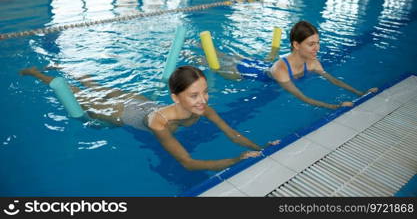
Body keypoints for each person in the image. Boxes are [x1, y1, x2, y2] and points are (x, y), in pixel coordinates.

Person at [20, 65, 279, 171]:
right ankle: (39, 74)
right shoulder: (160, 123)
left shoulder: (203, 108)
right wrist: (236, 160)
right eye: (194, 96)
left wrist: (261, 148)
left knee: (97, 86)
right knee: (80, 97)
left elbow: (231, 133)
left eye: (205, 93)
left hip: (139, 100)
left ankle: (73, 69)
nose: (202, 101)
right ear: (176, 97)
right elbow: (187, 162)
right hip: (122, 114)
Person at [206, 21, 378, 110]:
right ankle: (196, 54)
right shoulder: (281, 70)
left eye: (318, 43)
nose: (317, 48)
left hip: (262, 65)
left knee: (231, 57)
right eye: (311, 44)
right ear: (296, 45)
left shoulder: (313, 62)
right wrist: (335, 106)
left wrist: (360, 93)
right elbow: (302, 98)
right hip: (245, 73)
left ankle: (218, 53)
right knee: (215, 66)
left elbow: (334, 81)